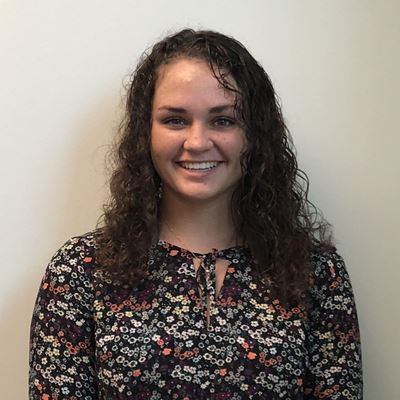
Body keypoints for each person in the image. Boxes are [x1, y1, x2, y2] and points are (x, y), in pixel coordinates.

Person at [29, 29, 362, 399]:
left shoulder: (316, 273)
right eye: (175, 120)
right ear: (145, 132)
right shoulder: (80, 271)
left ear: (255, 134)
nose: (198, 142)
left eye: (223, 120)